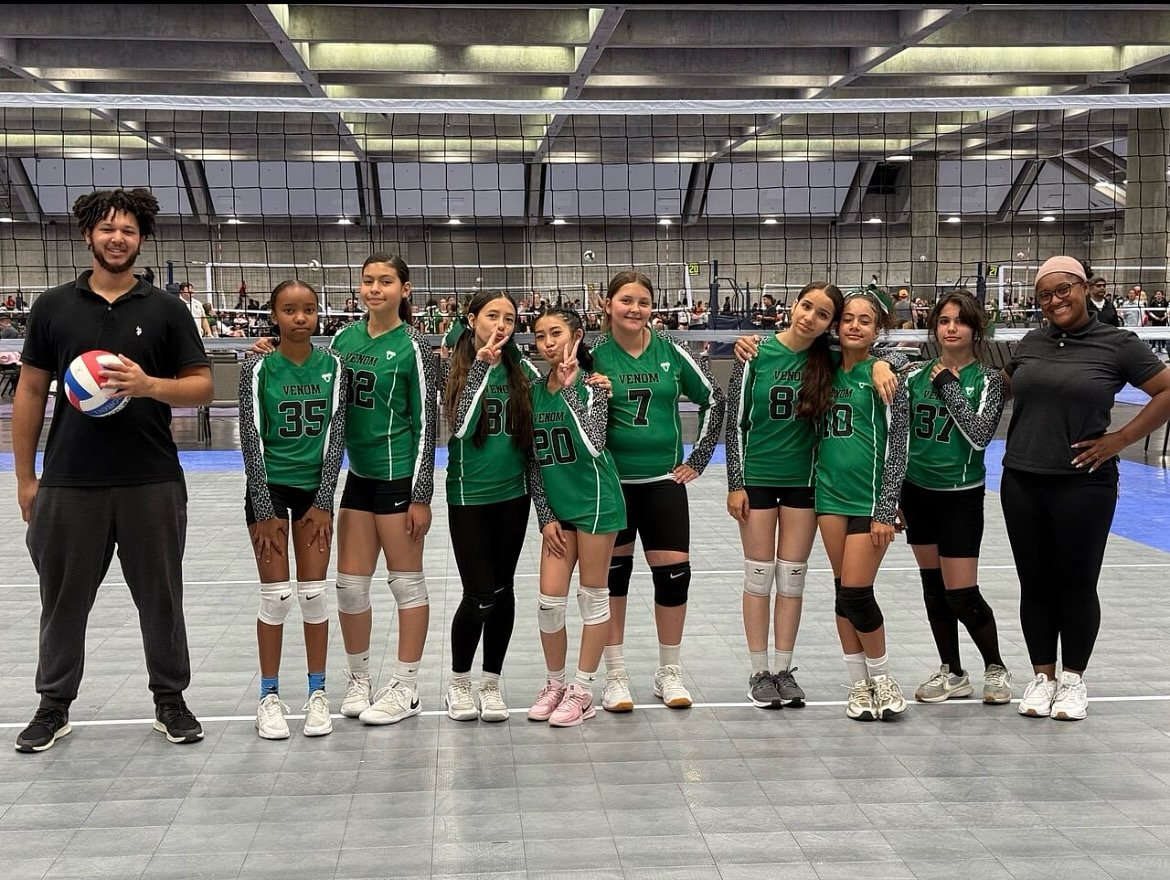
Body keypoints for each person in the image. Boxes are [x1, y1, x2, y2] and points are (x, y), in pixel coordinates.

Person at [13, 187, 212, 752]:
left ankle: (170, 701)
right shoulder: (53, 307)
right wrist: (26, 478)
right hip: (70, 480)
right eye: (107, 229)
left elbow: (201, 386)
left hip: (151, 478)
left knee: (161, 599)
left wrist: (148, 386)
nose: (117, 238)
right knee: (62, 600)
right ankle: (53, 706)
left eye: (127, 230)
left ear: (141, 238)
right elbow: (30, 391)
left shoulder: (167, 309)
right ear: (88, 235)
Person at [1002, 256, 1170, 721]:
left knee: (1076, 584)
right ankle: (1043, 678)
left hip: (1084, 484)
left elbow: (1166, 390)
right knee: (1034, 584)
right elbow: (1001, 388)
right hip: (1022, 479)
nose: (1055, 300)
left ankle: (1073, 680)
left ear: (1084, 288)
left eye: (1064, 290)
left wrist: (1120, 439)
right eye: (1045, 295)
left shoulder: (1118, 343)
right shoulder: (1031, 342)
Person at [591, 271, 726, 712]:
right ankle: (615, 675)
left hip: (662, 483)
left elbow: (713, 399)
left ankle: (669, 671)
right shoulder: (593, 356)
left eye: (643, 302)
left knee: (673, 576)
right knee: (613, 579)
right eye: (626, 300)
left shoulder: (671, 351)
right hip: (611, 485)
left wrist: (698, 458)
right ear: (607, 304)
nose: (635, 309)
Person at [724, 282, 845, 708]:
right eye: (806, 306)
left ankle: (783, 670)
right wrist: (735, 483)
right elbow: (735, 422)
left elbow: (887, 356)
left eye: (822, 314)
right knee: (758, 577)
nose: (810, 317)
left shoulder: (829, 359)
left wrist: (886, 365)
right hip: (756, 478)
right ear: (794, 306)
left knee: (792, 579)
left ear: (830, 324)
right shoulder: (755, 354)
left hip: (804, 482)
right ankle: (758, 671)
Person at [330, 254, 437, 725]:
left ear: (404, 289)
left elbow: (428, 424)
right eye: (368, 281)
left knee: (406, 584)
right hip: (358, 475)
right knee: (350, 588)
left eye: (386, 281)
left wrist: (421, 495)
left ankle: (406, 687)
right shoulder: (343, 340)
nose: (375, 289)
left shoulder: (414, 347)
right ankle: (359, 680)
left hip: (398, 476)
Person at [238, 280, 346, 739]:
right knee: (276, 596)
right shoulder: (257, 367)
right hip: (269, 489)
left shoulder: (334, 365)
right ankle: (269, 697)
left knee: (314, 595)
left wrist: (323, 501)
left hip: (314, 492)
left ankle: (318, 694)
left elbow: (336, 436)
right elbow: (250, 437)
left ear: (318, 313)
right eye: (289, 309)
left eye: (308, 309)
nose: (300, 318)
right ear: (274, 316)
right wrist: (264, 507)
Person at [900, 291, 1012, 706]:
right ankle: (952, 671)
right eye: (944, 320)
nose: (951, 328)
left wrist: (948, 385)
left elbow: (980, 436)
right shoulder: (913, 376)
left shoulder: (988, 380)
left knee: (961, 592)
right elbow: (899, 439)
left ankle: (995, 667)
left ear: (975, 329)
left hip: (959, 497)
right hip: (916, 492)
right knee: (933, 587)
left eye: (960, 321)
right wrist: (893, 495)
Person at [524, 306, 625, 727]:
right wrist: (545, 516)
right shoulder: (532, 390)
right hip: (558, 510)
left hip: (597, 502)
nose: (548, 343)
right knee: (549, 603)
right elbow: (532, 461)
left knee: (592, 596)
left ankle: (582, 690)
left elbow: (594, 443)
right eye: (540, 336)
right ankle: (555, 683)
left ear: (577, 337)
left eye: (556, 333)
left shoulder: (594, 386)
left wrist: (570, 390)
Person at [440, 290, 538, 722]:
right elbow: (460, 425)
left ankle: (491, 683)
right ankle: (459, 683)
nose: (501, 325)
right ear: (472, 319)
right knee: (478, 593)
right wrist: (482, 365)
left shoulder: (523, 371)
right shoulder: (454, 366)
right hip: (469, 497)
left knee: (503, 591)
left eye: (509, 319)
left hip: (513, 495)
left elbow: (555, 394)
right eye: (492, 315)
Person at [816, 290, 909, 722]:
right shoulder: (821, 369)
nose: (854, 326)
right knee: (843, 592)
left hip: (869, 500)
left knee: (856, 591)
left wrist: (887, 506)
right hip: (828, 498)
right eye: (847, 318)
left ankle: (883, 677)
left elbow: (899, 445)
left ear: (877, 330)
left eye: (865, 320)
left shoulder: (884, 375)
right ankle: (858, 684)